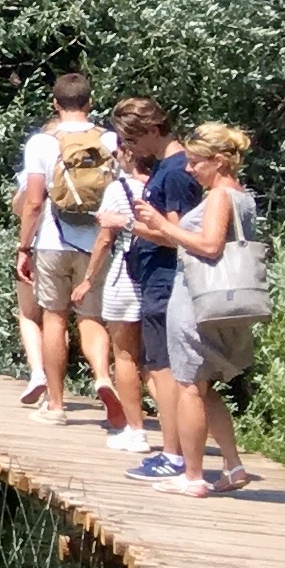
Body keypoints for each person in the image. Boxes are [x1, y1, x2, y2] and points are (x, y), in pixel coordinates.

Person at [126, 123, 266, 495]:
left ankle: (191, 476)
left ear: (218, 161)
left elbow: (208, 246)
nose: (189, 170)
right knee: (203, 386)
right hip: (223, 299)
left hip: (197, 299)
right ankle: (233, 466)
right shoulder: (243, 196)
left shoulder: (221, 196)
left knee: (188, 385)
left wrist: (158, 225)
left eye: (195, 162)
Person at [88, 97, 196, 460]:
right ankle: (172, 451)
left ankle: (172, 454)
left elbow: (177, 235)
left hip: (166, 280)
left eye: (131, 140)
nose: (129, 150)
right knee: (157, 366)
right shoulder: (168, 167)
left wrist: (127, 224)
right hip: (152, 279)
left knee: (164, 369)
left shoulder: (177, 170)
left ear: (151, 130)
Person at [13, 72, 118, 415]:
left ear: (55, 103)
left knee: (54, 319)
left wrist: (23, 247)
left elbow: (32, 202)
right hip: (97, 243)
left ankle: (56, 405)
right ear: (89, 102)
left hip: (52, 241)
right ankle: (102, 375)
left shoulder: (41, 143)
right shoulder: (111, 141)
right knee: (92, 318)